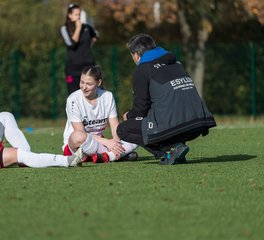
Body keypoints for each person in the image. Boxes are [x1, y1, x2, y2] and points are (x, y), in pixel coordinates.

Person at [116, 34, 216, 165]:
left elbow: (141, 109)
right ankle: (177, 149)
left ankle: (168, 151)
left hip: (178, 127)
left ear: (136, 55)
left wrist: (129, 115)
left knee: (123, 129)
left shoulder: (142, 69)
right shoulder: (175, 62)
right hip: (198, 123)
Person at [62, 65, 137, 163]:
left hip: (100, 144)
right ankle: (114, 155)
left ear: (99, 83)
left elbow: (115, 129)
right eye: (82, 82)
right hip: (78, 144)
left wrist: (115, 143)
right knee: (78, 136)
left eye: (89, 84)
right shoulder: (73, 99)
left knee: (136, 130)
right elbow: (81, 132)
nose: (84, 87)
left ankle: (105, 156)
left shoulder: (108, 96)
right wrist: (108, 143)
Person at [60, 3, 99, 95]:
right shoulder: (64, 29)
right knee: (73, 94)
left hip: (88, 66)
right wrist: (78, 28)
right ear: (70, 15)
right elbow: (72, 44)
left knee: (91, 93)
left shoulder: (87, 27)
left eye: (79, 14)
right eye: (76, 14)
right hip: (72, 69)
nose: (78, 17)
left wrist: (88, 47)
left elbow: (95, 35)